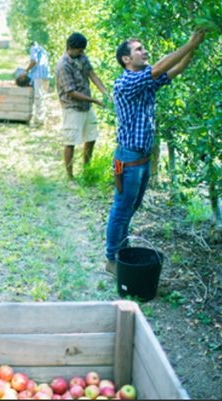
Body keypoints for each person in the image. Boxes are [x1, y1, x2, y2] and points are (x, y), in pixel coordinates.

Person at [105, 30, 206, 275]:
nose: (145, 52)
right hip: (128, 160)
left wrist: (194, 47)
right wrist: (189, 42)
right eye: (139, 49)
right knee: (121, 209)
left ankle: (121, 247)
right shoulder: (127, 82)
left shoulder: (144, 81)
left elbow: (174, 70)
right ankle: (111, 258)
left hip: (140, 160)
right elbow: (160, 67)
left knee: (130, 207)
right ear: (126, 60)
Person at [55, 32, 109, 180]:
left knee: (91, 138)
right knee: (70, 141)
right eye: (79, 50)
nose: (82, 52)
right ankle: (70, 176)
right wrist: (94, 100)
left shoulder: (82, 57)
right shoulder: (63, 66)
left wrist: (105, 92)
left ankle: (87, 170)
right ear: (70, 48)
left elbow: (92, 74)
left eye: (83, 50)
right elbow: (71, 92)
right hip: (72, 108)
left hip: (86, 106)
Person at [20, 41, 51, 127]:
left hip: (38, 75)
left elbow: (34, 61)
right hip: (46, 74)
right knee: (43, 96)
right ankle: (43, 118)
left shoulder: (33, 48)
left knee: (38, 97)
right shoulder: (43, 50)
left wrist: (26, 70)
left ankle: (39, 121)